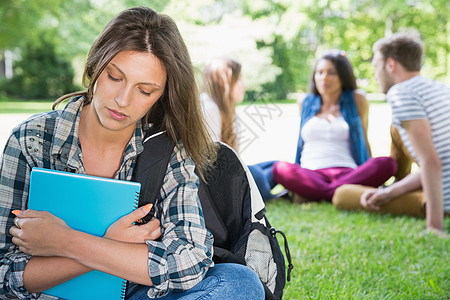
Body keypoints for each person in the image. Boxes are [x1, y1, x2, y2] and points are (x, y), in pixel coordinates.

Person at [0, 7, 264, 299]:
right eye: (115, 77)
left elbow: (190, 262)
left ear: (162, 94)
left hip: (138, 292)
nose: (123, 101)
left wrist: (67, 242)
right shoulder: (32, 139)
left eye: (145, 91)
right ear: (95, 66)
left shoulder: (169, 148)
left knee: (239, 282)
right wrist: (116, 245)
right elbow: (3, 275)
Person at [333, 32, 450, 232]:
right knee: (379, 193)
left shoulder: (401, 93)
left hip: (440, 199)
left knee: (343, 195)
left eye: (376, 66)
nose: (375, 74)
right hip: (437, 183)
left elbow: (431, 162)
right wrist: (390, 192)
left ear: (391, 64)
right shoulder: (439, 89)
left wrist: (434, 227)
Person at [271, 50, 397, 203]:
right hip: (311, 174)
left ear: (343, 76)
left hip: (348, 173)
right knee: (279, 168)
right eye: (320, 72)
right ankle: (341, 193)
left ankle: (317, 194)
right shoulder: (305, 101)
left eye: (331, 73)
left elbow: (364, 137)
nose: (324, 77)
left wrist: (369, 166)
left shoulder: (357, 99)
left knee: (387, 163)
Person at [200, 57, 280, 201]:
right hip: (215, 181)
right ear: (225, 82)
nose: (243, 85)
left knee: (276, 165)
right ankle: (268, 194)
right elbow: (210, 164)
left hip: (229, 173)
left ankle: (264, 187)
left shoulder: (228, 110)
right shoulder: (208, 108)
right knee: (256, 174)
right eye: (239, 80)